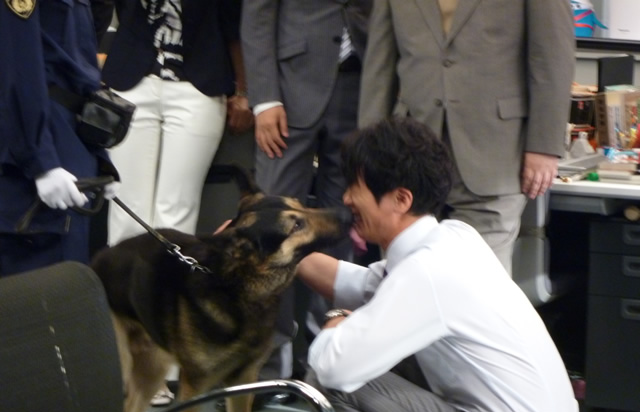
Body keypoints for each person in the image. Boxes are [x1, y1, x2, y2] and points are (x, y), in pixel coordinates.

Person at [298, 117, 579, 412]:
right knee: (367, 355)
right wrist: (278, 249)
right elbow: (363, 282)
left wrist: (335, 322)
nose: (346, 198)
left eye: (356, 187)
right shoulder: (452, 238)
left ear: (401, 199)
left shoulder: (426, 272)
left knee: (329, 379)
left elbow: (333, 366)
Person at [358, 0, 575, 275]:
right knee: (402, 280)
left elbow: (552, 56)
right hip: (408, 159)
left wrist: (544, 146)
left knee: (479, 286)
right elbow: (380, 65)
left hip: (494, 153)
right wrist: (366, 156)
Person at [241, 0, 372, 384]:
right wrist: (264, 99)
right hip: (289, 86)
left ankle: (325, 363)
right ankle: (266, 367)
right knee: (269, 225)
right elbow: (258, 13)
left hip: (363, 85)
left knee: (344, 227)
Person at [101, 0, 253, 246]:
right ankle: (124, 284)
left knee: (176, 211)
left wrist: (244, 90)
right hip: (131, 81)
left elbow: (232, 21)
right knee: (126, 207)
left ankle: (169, 283)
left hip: (197, 87)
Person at [0, 0, 119, 277]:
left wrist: (99, 155)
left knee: (69, 281)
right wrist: (41, 162)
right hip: (35, 142)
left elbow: (78, 68)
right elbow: (17, 68)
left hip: (71, 140)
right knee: (38, 291)